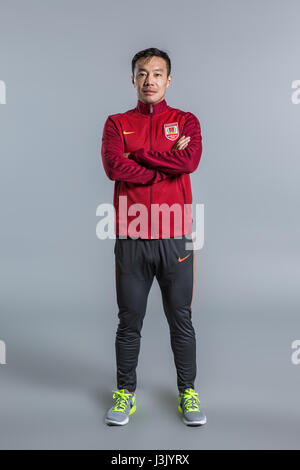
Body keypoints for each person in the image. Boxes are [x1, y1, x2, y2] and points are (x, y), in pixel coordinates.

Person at [101, 47, 206, 426]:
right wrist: (163, 161)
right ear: (133, 79)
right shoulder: (116, 124)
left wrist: (140, 157)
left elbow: (189, 161)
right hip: (131, 237)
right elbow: (115, 166)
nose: (150, 81)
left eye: (157, 74)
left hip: (175, 235)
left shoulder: (186, 120)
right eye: (142, 74)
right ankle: (125, 392)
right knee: (129, 321)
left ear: (169, 80)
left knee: (181, 318)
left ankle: (188, 393)